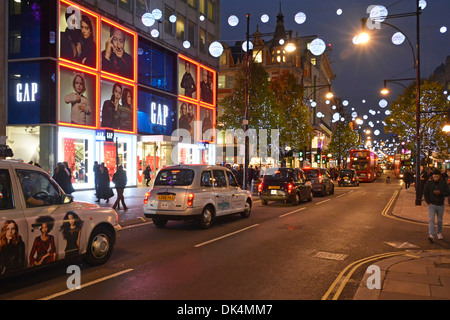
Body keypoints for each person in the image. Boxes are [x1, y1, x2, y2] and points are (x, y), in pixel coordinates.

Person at [423, 170, 450, 242]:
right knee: (431, 220)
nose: (436, 178)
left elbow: (447, 193)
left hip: (440, 205)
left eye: (437, 177)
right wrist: (428, 202)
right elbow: (425, 193)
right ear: (432, 176)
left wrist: (440, 193)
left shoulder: (443, 184)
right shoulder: (429, 183)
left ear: (439, 176)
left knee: (439, 221)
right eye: (434, 177)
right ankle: (431, 234)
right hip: (432, 205)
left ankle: (439, 233)